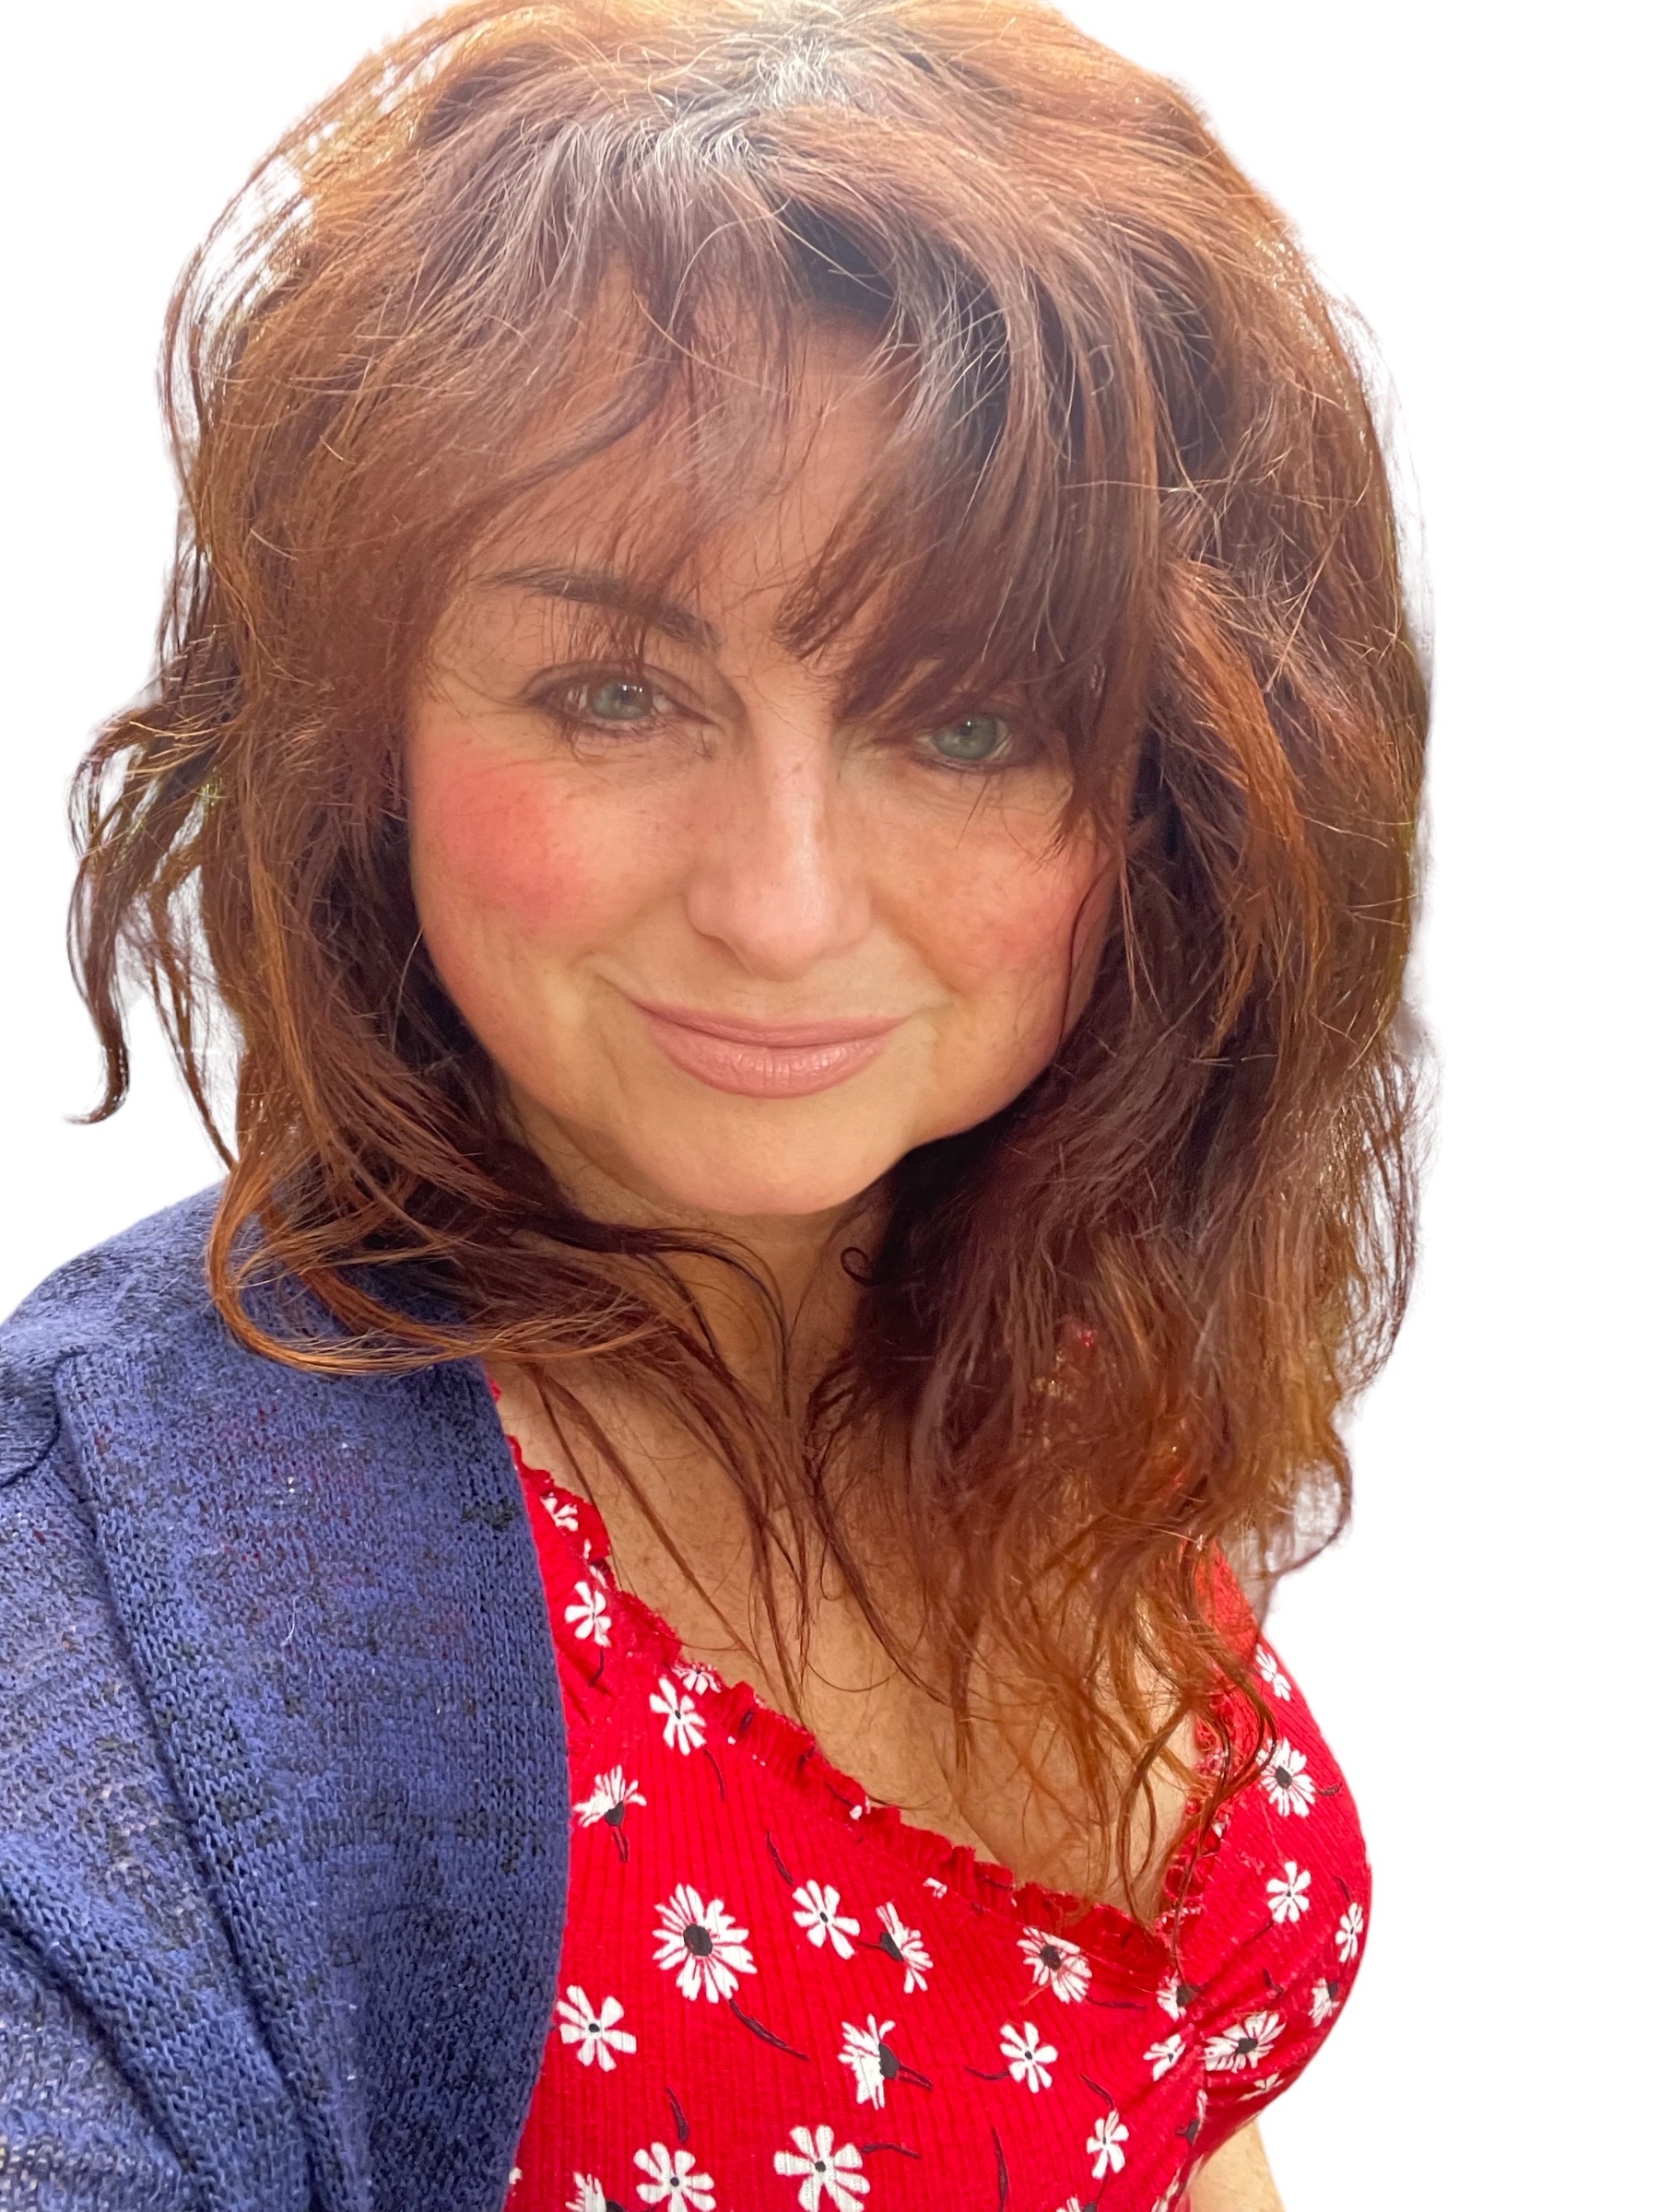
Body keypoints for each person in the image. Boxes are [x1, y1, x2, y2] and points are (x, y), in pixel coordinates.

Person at [0, 1, 1426, 2206]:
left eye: (965, 725)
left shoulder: (1037, 1314)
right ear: (360, 735)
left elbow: (1156, 2105)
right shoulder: (115, 1617)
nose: (779, 904)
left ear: (1189, 792)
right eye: (611, 693)